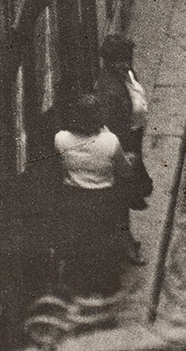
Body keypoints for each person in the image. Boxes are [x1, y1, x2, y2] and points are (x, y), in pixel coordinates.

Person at [52, 96, 129, 295]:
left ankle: (79, 290)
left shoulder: (61, 139)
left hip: (74, 200)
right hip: (103, 201)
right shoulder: (110, 141)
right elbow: (124, 170)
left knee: (79, 248)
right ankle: (106, 290)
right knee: (104, 248)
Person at [98, 34, 152, 265]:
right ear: (113, 62)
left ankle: (123, 237)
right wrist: (123, 155)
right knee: (121, 195)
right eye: (125, 58)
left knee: (130, 190)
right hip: (122, 145)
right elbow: (110, 127)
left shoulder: (126, 74)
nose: (129, 63)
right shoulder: (109, 89)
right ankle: (124, 243)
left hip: (133, 139)